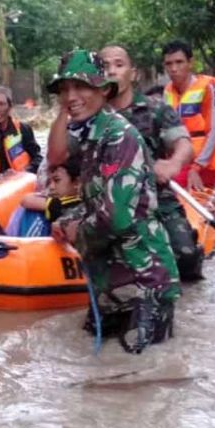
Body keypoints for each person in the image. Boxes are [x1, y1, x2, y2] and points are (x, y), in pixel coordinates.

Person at [47, 49, 181, 353]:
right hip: (111, 282)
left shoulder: (120, 136)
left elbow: (117, 216)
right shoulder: (91, 136)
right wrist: (69, 219)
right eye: (64, 89)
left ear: (103, 90)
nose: (71, 96)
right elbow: (98, 202)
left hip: (145, 282)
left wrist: (76, 233)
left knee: (142, 378)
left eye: (81, 87)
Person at [49, 44, 204, 281]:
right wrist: (66, 105)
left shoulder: (155, 109)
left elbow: (184, 144)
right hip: (104, 200)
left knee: (185, 257)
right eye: (106, 66)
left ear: (133, 73)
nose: (112, 71)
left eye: (119, 65)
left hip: (153, 199)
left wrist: (172, 165)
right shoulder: (87, 116)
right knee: (61, 228)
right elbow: (56, 156)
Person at [161, 40, 215, 191]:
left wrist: (196, 167)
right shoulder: (167, 91)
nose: (174, 69)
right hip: (181, 157)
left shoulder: (209, 86)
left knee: (170, 184)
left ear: (190, 63)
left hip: (206, 162)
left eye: (179, 62)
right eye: (169, 64)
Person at [6, 158, 83, 237]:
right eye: (50, 182)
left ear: (76, 183)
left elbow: (27, 201)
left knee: (36, 214)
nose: (51, 187)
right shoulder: (56, 199)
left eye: (57, 180)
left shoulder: (74, 204)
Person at [0, 85, 43, 177]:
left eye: (1, 104)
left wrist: (25, 173)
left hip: (21, 181)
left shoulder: (23, 129)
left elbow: (38, 158)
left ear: (10, 107)